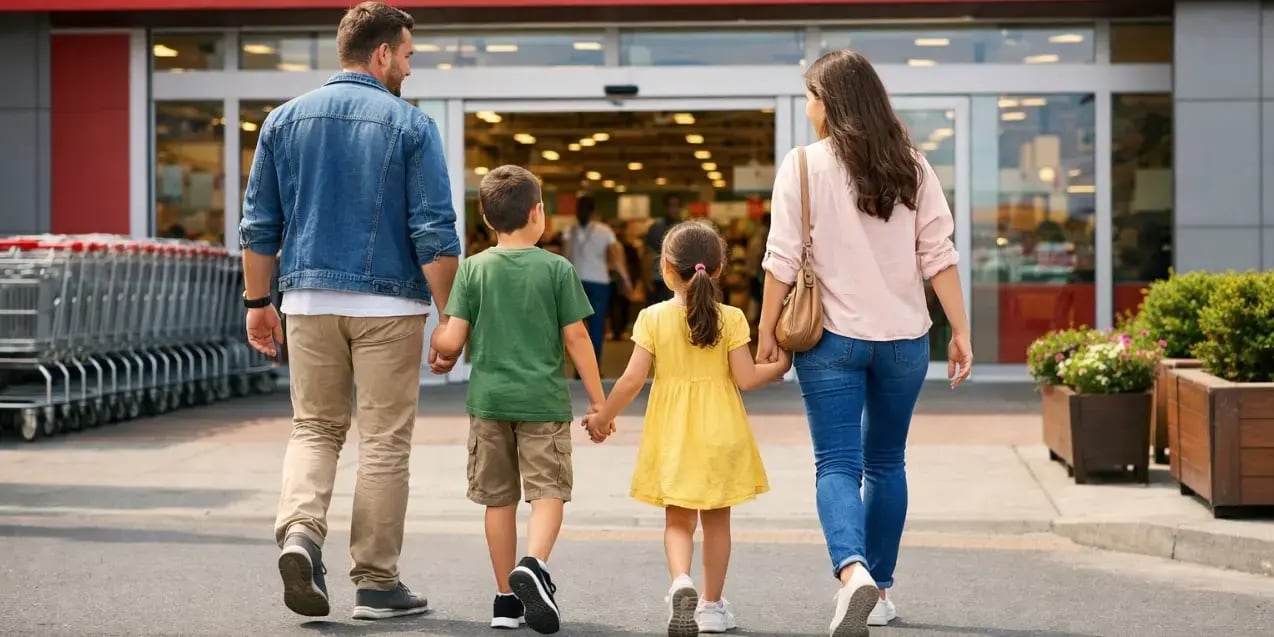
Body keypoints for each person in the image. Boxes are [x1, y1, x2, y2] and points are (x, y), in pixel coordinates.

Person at [239, 1, 460, 622]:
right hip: (389, 304)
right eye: (409, 56)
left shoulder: (282, 122)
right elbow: (433, 231)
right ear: (383, 53)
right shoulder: (411, 126)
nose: (411, 70)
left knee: (315, 428)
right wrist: (452, 316)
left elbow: (259, 226)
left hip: (306, 301)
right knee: (385, 442)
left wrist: (260, 302)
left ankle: (302, 536)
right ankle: (375, 582)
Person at [755, 50, 973, 637]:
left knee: (837, 464)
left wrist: (766, 329)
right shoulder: (915, 167)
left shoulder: (802, 166)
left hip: (831, 341)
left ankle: (853, 574)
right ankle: (881, 590)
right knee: (886, 462)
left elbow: (780, 258)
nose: (807, 108)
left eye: (810, 97)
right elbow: (940, 256)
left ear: (827, 103)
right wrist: (962, 331)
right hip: (905, 341)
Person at [583, 221, 790, 637]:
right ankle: (712, 607)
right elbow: (746, 379)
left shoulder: (652, 318)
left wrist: (602, 417)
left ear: (665, 267)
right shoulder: (731, 318)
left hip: (673, 434)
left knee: (678, 521)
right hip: (722, 431)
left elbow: (631, 380)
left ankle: (681, 582)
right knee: (717, 522)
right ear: (717, 270)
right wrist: (780, 366)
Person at [430, 165, 611, 635]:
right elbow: (576, 339)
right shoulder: (556, 268)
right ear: (537, 214)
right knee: (548, 491)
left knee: (499, 501)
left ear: (488, 220)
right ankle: (534, 564)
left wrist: (442, 352)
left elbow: (452, 339)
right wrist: (598, 402)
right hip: (542, 403)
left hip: (489, 402)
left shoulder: (473, 268)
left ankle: (505, 600)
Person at [564, 195, 632, 365]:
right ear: (594, 211)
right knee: (597, 326)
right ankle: (594, 366)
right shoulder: (605, 231)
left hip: (575, 282)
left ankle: (579, 368)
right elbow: (615, 257)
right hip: (600, 282)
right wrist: (625, 278)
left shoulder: (569, 230)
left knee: (575, 328)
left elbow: (564, 258)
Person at [643, 193, 683, 305]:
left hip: (678, 281)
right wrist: (647, 282)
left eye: (676, 205)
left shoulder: (683, 227)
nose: (673, 209)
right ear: (665, 207)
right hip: (659, 281)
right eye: (671, 205)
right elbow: (647, 256)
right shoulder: (656, 227)